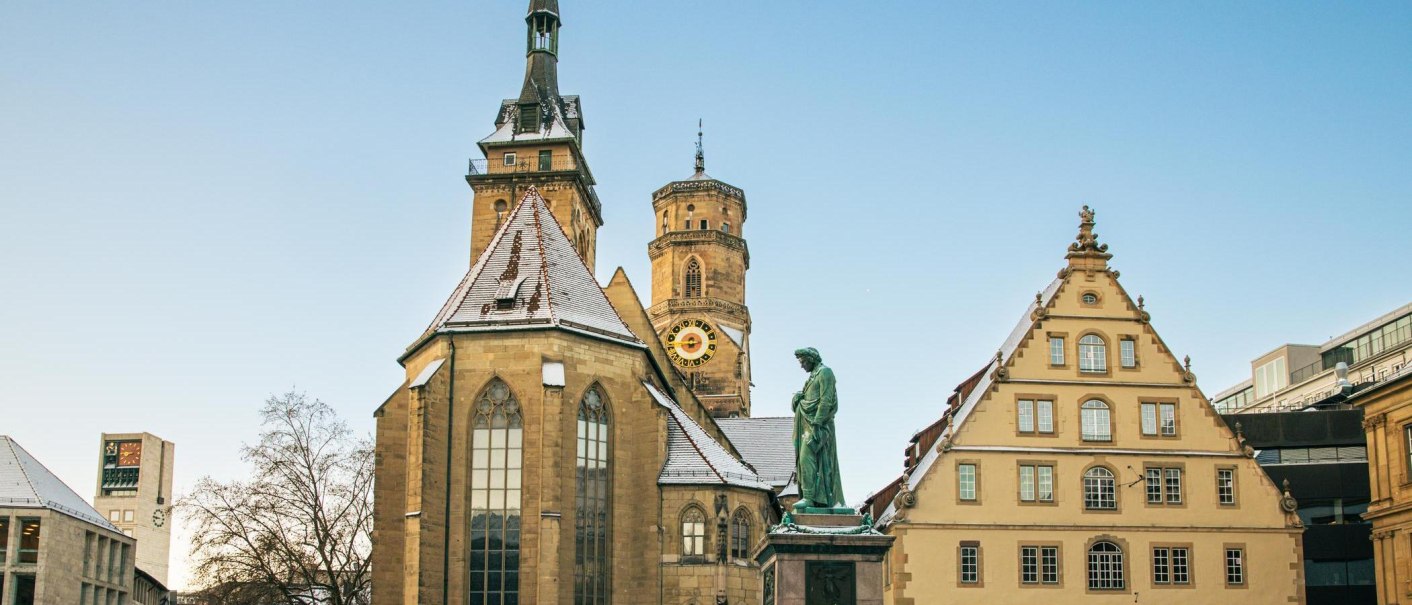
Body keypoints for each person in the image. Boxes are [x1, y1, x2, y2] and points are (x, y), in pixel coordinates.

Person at [791, 347, 846, 511]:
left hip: (819, 426)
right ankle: (813, 497)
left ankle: (809, 498)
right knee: (805, 460)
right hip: (808, 424)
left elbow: (826, 400)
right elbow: (809, 399)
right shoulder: (811, 378)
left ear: (811, 359)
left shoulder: (825, 372)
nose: (801, 366)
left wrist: (817, 424)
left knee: (806, 458)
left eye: (803, 362)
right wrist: (797, 398)